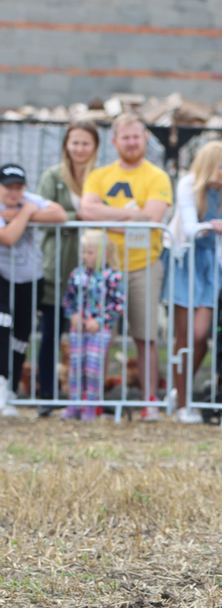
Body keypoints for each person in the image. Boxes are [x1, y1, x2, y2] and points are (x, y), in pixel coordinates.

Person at [79, 114, 173, 420]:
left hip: (143, 265)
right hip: (103, 269)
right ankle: (95, 401)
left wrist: (110, 217)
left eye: (136, 136)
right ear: (114, 141)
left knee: (145, 336)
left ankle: (149, 401)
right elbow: (86, 210)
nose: (131, 143)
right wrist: (129, 216)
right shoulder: (99, 175)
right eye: (125, 137)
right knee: (100, 335)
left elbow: (152, 218)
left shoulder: (157, 177)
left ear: (145, 138)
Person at [166, 141, 222, 424]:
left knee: (201, 334)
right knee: (185, 334)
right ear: (210, 167)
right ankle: (181, 402)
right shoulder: (189, 184)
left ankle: (180, 389)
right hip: (184, 260)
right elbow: (190, 227)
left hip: (209, 265)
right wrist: (208, 227)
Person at [36, 120, 100, 414]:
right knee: (51, 333)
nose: (79, 148)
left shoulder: (100, 177)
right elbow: (40, 212)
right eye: (74, 142)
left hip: (90, 270)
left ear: (95, 147)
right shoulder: (53, 176)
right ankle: (47, 394)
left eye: (85, 143)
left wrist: (70, 216)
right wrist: (81, 215)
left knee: (91, 334)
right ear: (66, 145)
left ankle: (87, 397)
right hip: (57, 267)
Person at [0, 163, 68, 417]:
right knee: (2, 326)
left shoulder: (28, 201)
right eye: (8, 187)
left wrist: (24, 212)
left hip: (30, 277)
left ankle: (12, 390)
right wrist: (26, 215)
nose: (13, 193)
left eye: (18, 187)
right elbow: (7, 237)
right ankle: (1, 384)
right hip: (3, 275)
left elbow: (60, 214)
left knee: (20, 336)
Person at [62, 229, 124, 420]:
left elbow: (118, 304)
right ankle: (74, 403)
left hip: (99, 329)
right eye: (84, 252)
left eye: (90, 252)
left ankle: (90, 406)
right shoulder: (77, 274)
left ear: (103, 253)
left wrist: (100, 321)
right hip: (78, 328)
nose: (85, 256)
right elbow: (69, 299)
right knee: (76, 365)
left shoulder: (113, 276)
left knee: (93, 367)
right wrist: (72, 315)